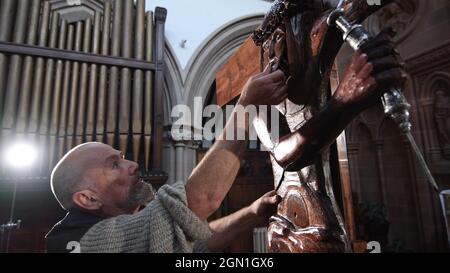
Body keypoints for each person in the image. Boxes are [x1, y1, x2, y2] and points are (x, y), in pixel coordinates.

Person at [45, 66, 288, 253]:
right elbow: (201, 200)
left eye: (122, 157)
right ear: (88, 198)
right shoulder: (82, 242)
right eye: (114, 164)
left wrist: (253, 212)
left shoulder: (125, 229)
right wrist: (246, 106)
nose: (133, 164)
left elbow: (193, 244)